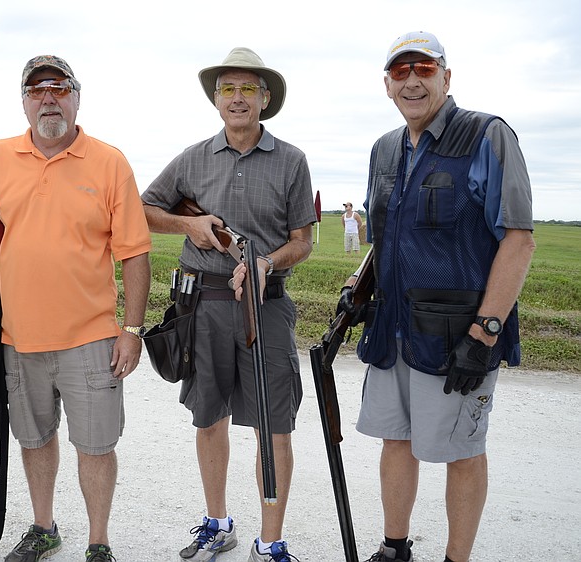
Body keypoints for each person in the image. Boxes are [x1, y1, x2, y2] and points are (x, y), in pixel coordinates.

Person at [340, 31, 535, 562]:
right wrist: (360, 288)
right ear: (387, 85)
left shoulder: (487, 136)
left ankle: (456, 558)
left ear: (447, 78)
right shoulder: (383, 149)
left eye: (424, 68)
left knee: (462, 452)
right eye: (400, 72)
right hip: (393, 329)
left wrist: (486, 331)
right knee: (395, 441)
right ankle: (395, 547)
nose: (412, 80)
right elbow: (387, 234)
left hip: (459, 334)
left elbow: (518, 237)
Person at [0, 54, 151, 562]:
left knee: (96, 447)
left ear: (77, 97)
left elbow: (134, 252)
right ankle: (43, 528)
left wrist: (131, 328)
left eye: (60, 88)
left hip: (91, 337)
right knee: (35, 440)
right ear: (23, 101)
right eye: (36, 89)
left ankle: (98, 541)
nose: (48, 98)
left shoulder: (109, 161)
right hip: (18, 338)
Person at [141, 47, 315, 562]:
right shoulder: (193, 158)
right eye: (228, 89)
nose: (237, 98)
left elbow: (303, 241)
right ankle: (217, 523)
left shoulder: (292, 161)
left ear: (265, 99)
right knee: (208, 417)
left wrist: (266, 263)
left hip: (268, 306)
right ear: (216, 100)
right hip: (204, 306)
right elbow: (146, 208)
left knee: (274, 423)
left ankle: (271, 540)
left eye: (248, 89)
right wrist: (189, 224)